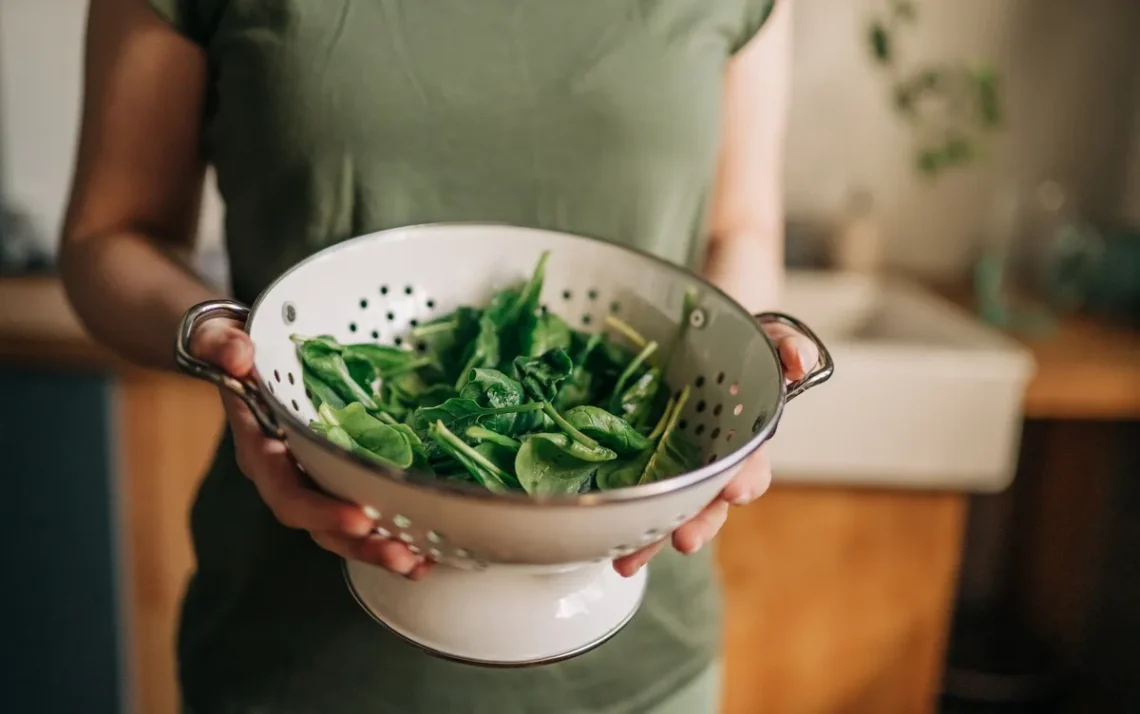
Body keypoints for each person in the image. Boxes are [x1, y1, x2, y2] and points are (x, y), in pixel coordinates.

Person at [60, 0, 814, 711]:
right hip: (293, 659)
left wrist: (738, 362)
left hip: (638, 664)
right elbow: (110, 237)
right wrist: (219, 342)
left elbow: (739, 225)